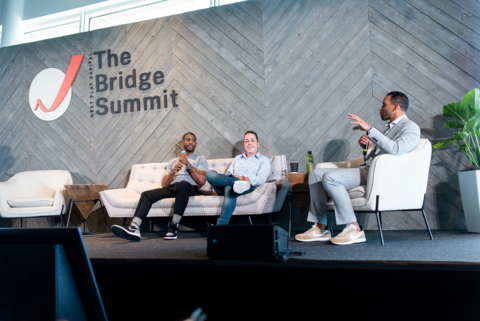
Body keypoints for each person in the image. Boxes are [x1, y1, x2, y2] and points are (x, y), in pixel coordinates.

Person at [295, 91, 420, 245]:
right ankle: (321, 227)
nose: (380, 108)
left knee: (331, 178)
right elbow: (376, 157)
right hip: (371, 170)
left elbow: (396, 150)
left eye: (384, 105)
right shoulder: (390, 128)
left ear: (395, 107)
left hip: (382, 175)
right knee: (315, 174)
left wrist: (370, 129)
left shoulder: (410, 127)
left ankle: (354, 228)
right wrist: (367, 149)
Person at [111, 132, 208, 241]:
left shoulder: (200, 159)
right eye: (188, 140)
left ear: (195, 144)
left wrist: (188, 164)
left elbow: (202, 181)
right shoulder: (173, 161)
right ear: (182, 143)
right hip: (174, 187)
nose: (191, 142)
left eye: (193, 140)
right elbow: (164, 185)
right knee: (147, 194)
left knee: (183, 184)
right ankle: (135, 227)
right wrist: (173, 172)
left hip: (190, 188)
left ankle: (174, 226)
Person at [206, 131, 271, 225]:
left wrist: (243, 179)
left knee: (230, 188)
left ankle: (220, 226)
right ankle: (234, 182)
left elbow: (261, 179)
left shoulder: (263, 160)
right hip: (230, 182)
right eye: (246, 141)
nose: (249, 143)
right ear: (244, 144)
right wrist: (233, 179)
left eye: (252, 140)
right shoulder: (237, 158)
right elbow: (229, 172)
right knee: (210, 174)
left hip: (247, 186)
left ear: (257, 144)